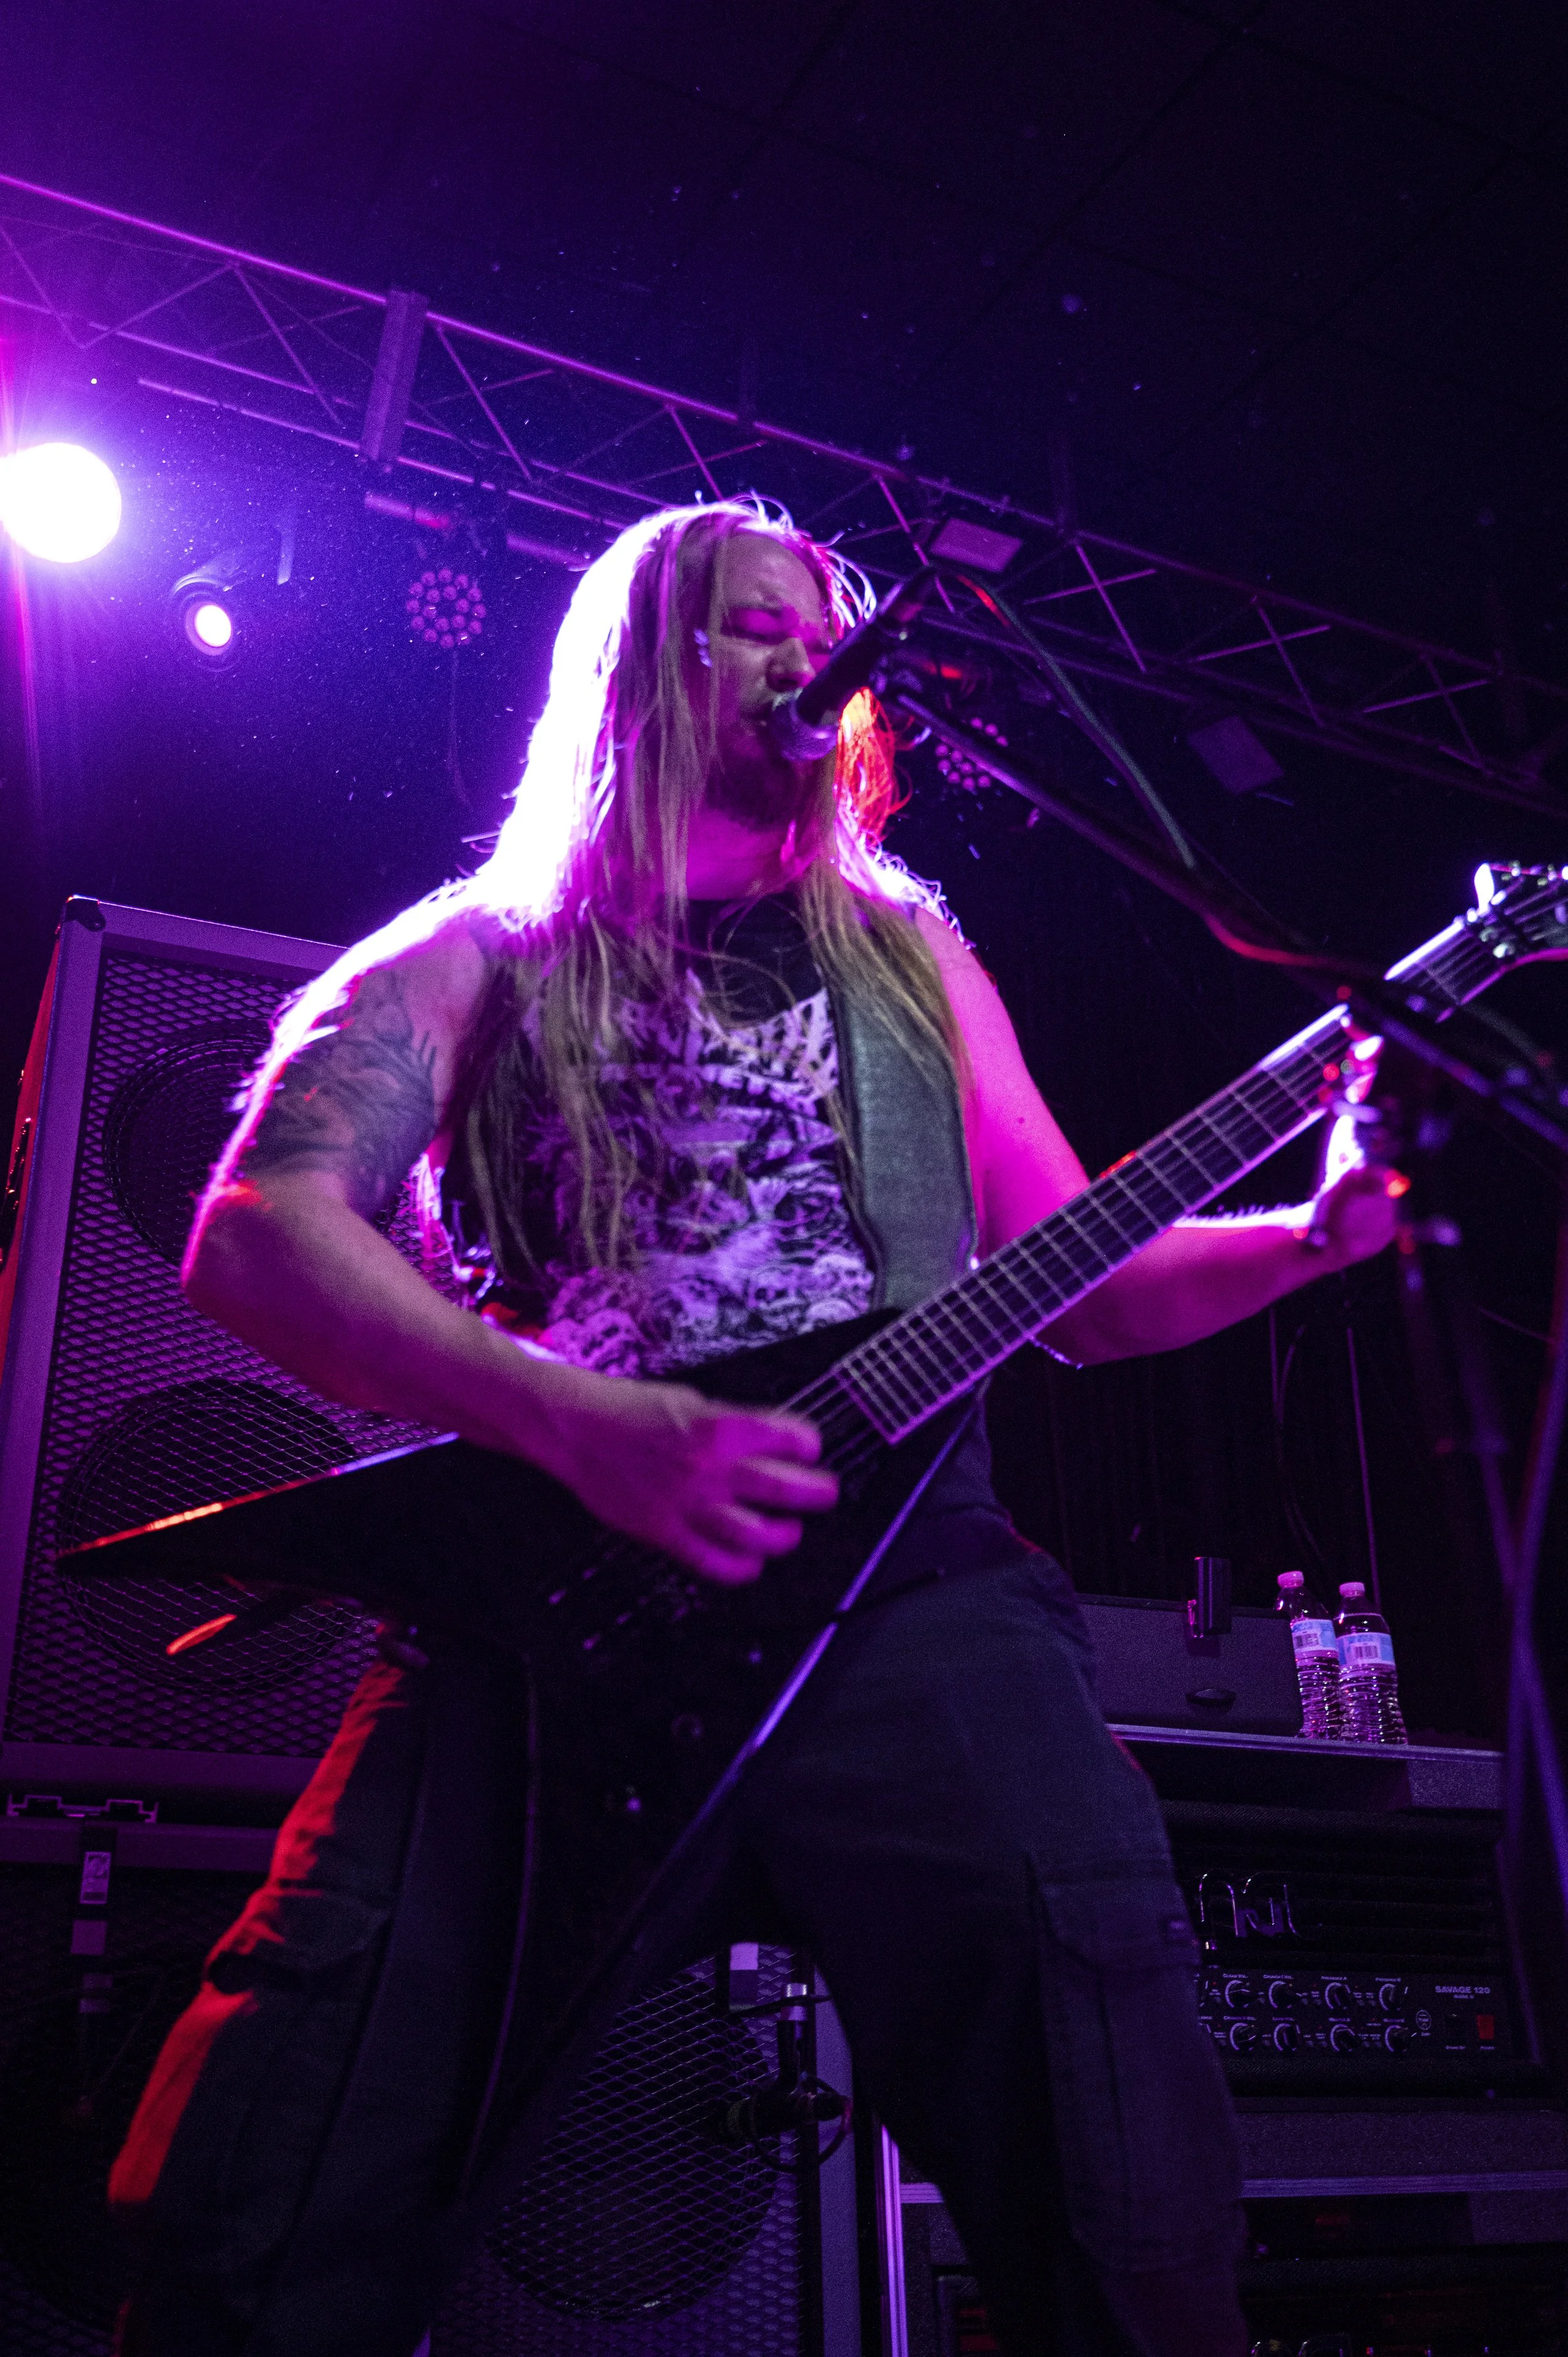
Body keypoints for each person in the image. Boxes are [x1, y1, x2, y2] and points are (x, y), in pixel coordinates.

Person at [110, 501, 1396, 2356]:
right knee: (286, 2161)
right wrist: (582, 1424)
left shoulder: (908, 959)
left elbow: (1080, 1288)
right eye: (745, 629)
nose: (803, 659)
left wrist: (1314, 1236)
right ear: (637, 672)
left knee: (1121, 2173)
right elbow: (259, 1227)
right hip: (550, 1626)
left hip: (915, 1608)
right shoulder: (484, 949)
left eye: (818, 630)